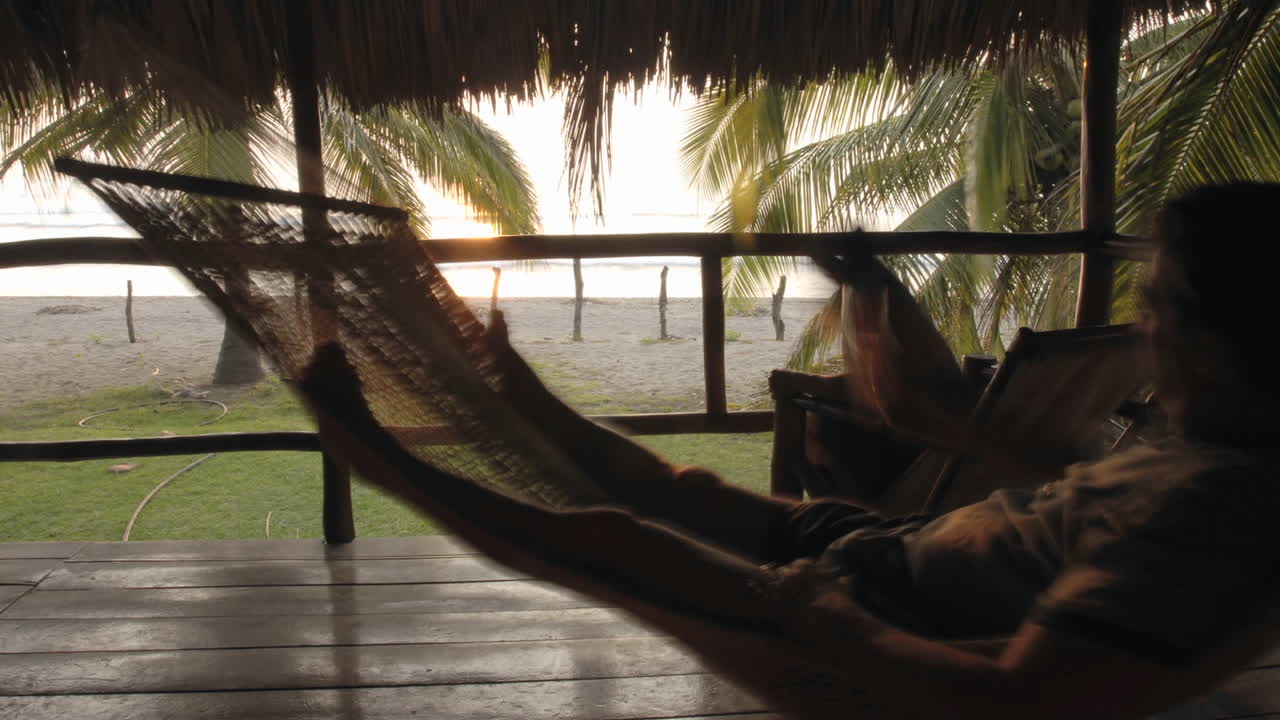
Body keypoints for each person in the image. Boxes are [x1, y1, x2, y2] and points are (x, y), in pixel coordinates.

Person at [300, 183, 1280, 719]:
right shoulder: (1201, 449)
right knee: (670, 481)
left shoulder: (1217, 510)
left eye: (1152, 301)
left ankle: (381, 459)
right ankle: (516, 396)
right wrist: (880, 305)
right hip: (883, 550)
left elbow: (1023, 701)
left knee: (618, 541)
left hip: (876, 610)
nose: (1138, 323)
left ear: (1211, 340)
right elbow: (1025, 462)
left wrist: (832, 625)